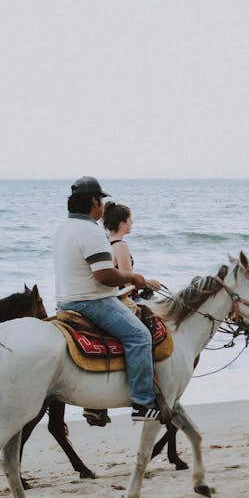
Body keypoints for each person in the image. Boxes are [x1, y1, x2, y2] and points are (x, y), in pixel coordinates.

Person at [53, 177, 165, 423]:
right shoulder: (91, 231)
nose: (102, 205)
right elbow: (104, 275)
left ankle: (97, 403)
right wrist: (133, 278)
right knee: (139, 336)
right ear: (94, 201)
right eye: (101, 200)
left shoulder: (63, 227)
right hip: (92, 301)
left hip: (64, 302)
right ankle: (143, 403)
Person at [101, 202, 142, 300]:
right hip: (122, 297)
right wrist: (148, 284)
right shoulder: (120, 246)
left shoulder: (105, 241)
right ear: (122, 224)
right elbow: (127, 281)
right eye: (130, 220)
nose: (132, 223)